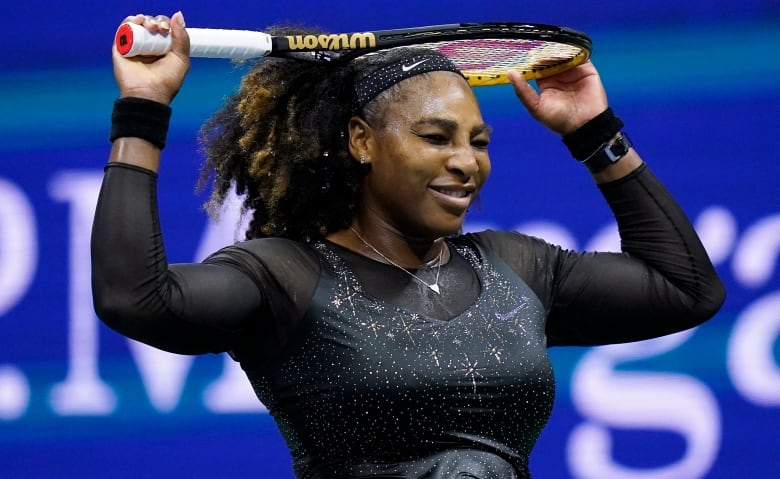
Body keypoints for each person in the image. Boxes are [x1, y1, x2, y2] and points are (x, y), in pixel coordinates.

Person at [92, 11, 726, 479]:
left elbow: (686, 291)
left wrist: (595, 131)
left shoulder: (516, 266)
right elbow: (134, 298)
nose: (465, 163)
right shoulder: (285, 276)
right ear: (362, 141)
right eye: (436, 136)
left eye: (479, 142)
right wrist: (142, 109)